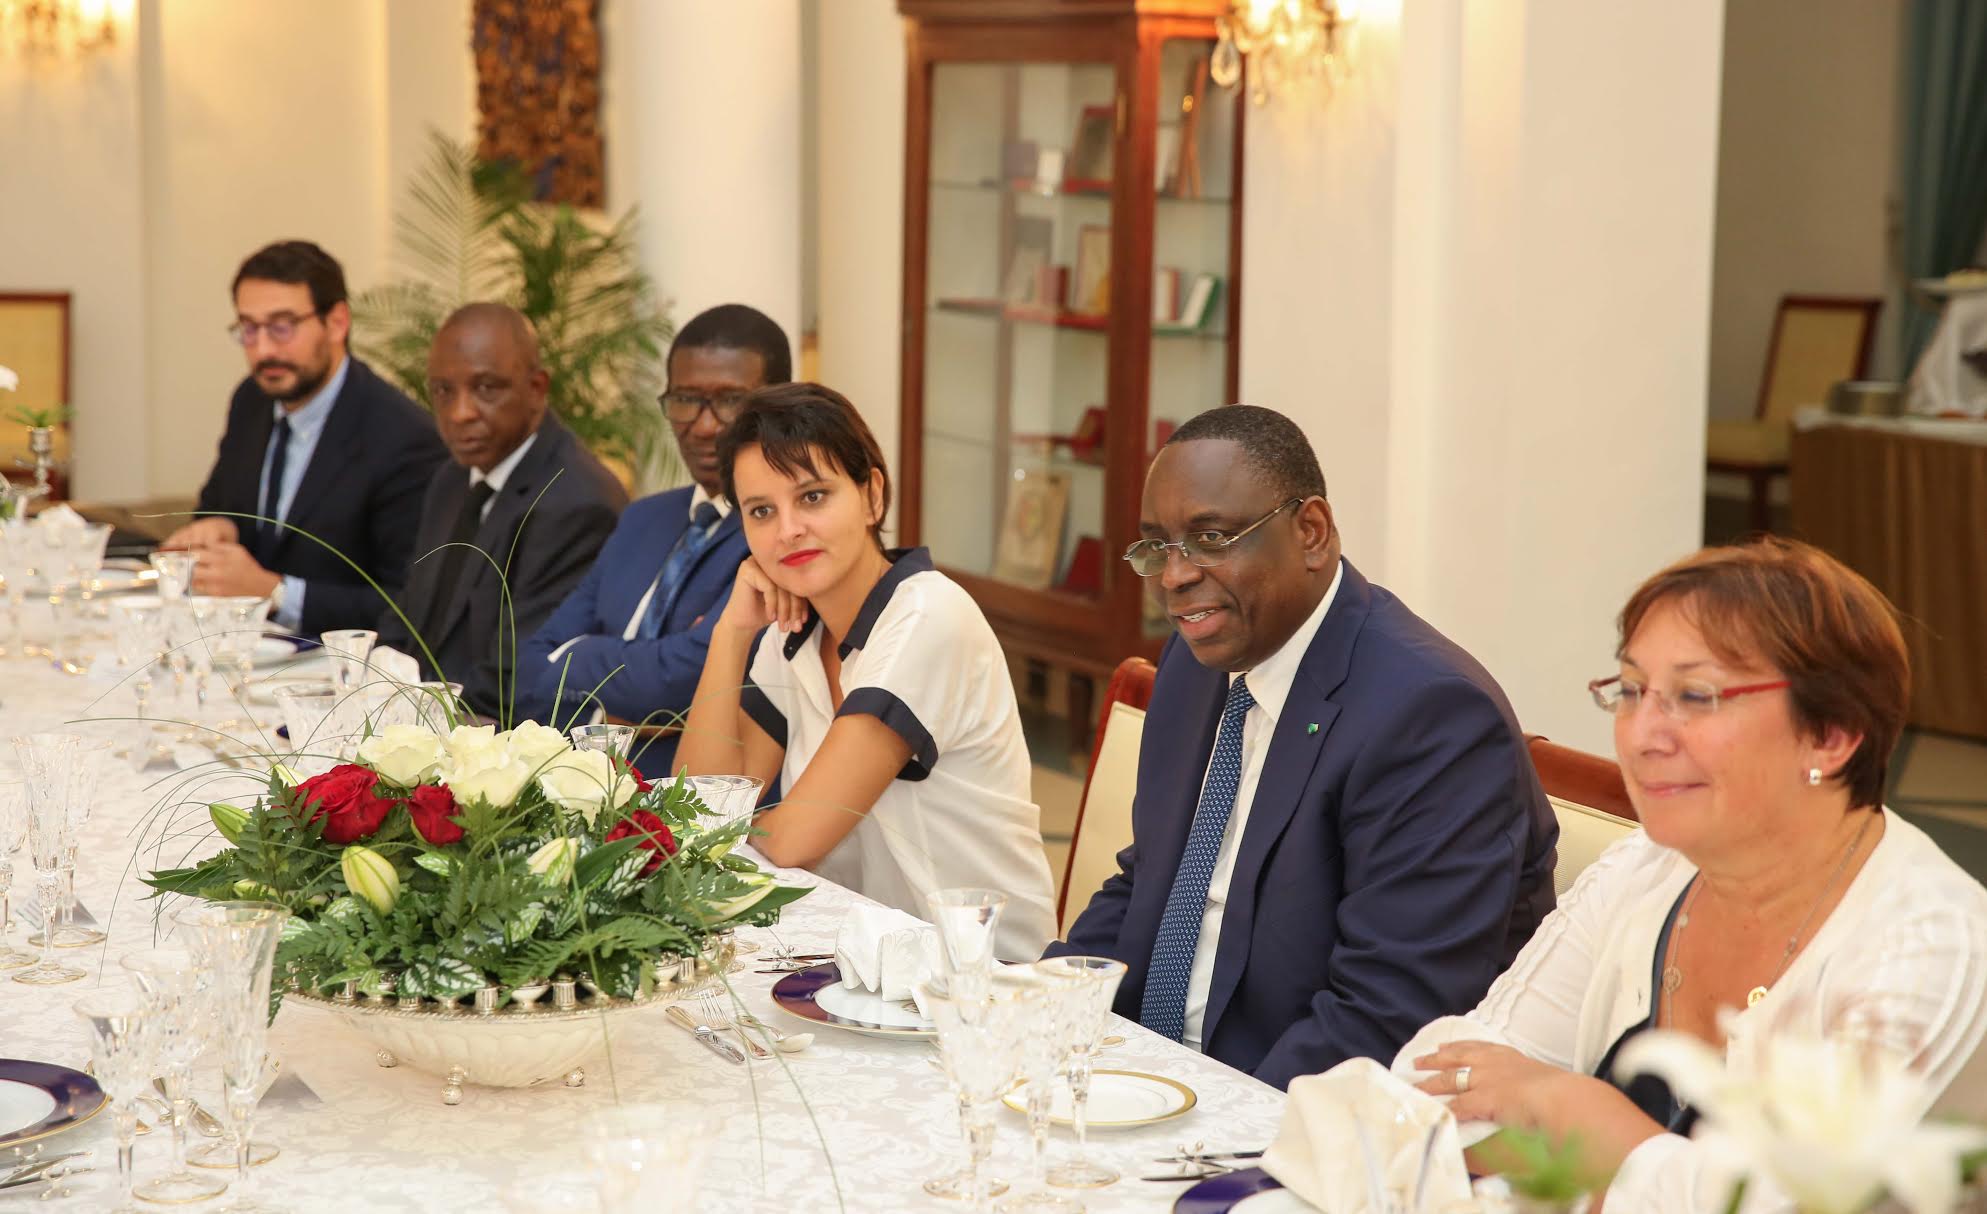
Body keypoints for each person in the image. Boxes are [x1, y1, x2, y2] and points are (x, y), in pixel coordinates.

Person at [1394, 537, 1987, 1210]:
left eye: (1696, 695)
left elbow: (1788, 1203)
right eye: (1631, 690)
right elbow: (1442, 1074)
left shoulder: (1930, 944)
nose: (1642, 734)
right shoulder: (1649, 865)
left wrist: (1573, 1110)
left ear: (1831, 734)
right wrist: (1580, 1140)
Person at [1051, 404, 1558, 1091]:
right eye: (1158, 547)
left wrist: (1209, 1126)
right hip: (1152, 1079)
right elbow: (1149, 882)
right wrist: (1039, 1010)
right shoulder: (1196, 664)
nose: (1173, 576)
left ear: (1310, 532)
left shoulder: (1431, 717)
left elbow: (1386, 1016)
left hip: (1287, 1109)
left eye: (1209, 538)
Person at [675, 383, 1056, 959]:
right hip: (864, 959)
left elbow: (795, 840)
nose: (787, 530)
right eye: (761, 511)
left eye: (812, 497)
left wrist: (726, 837)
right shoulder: (794, 631)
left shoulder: (925, 617)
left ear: (872, 496)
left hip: (980, 971)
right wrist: (731, 631)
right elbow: (699, 811)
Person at [518, 304, 788, 751]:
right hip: (575, 775)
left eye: (730, 401)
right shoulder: (643, 518)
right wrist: (609, 718)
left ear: (777, 404)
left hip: (695, 783)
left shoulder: (781, 532)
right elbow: (530, 664)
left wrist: (580, 653)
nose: (704, 426)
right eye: (685, 400)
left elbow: (687, 678)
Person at [162, 240, 446, 636]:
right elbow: (218, 505)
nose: (263, 350)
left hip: (339, 664)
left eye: (282, 327)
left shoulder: (403, 437)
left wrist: (276, 593)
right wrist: (219, 527)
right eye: (248, 329)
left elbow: (408, 605)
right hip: (242, 646)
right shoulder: (252, 399)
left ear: (337, 323)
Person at [376, 304, 626, 722]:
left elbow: (515, 677)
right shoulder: (452, 478)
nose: (460, 413)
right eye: (443, 391)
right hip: (418, 722)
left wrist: (405, 721)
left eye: (486, 388)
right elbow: (407, 615)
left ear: (537, 389)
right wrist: (369, 689)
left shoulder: (574, 503)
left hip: (491, 735)